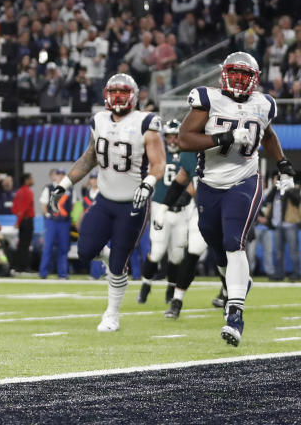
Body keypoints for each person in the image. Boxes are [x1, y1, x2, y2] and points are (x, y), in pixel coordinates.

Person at [179, 52, 296, 346]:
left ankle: (235, 314)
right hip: (209, 183)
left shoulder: (263, 103)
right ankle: (234, 282)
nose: (240, 80)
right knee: (215, 243)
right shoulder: (208, 99)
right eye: (235, 73)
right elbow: (185, 139)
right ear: (224, 73)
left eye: (246, 76)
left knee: (235, 243)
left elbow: (267, 134)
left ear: (254, 80)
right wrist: (224, 138)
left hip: (245, 180)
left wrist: (281, 163)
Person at [49, 73, 166, 332]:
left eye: (123, 93)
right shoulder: (98, 120)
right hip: (104, 200)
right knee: (85, 250)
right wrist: (64, 185)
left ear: (133, 96)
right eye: (114, 92)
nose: (118, 97)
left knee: (117, 265)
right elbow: (89, 157)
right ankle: (115, 260)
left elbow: (159, 164)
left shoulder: (146, 122)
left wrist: (147, 184)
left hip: (132, 203)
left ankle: (111, 314)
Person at [137, 119, 205, 319]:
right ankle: (146, 286)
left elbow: (192, 180)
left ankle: (172, 291)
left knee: (177, 255)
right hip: (162, 206)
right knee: (157, 251)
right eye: (170, 136)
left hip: (184, 209)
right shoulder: (159, 154)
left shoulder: (189, 153)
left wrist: (187, 197)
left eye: (176, 135)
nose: (173, 139)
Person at [39, 168, 72, 279]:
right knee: (48, 247)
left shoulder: (70, 189)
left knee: (63, 248)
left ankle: (62, 273)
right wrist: (48, 216)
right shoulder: (49, 188)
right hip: (52, 222)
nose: (60, 176)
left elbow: (73, 205)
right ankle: (43, 272)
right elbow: (43, 205)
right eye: (58, 174)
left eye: (63, 174)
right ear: (55, 176)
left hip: (64, 222)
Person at [12, 173, 36, 272]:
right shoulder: (28, 192)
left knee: (21, 245)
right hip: (26, 221)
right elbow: (24, 208)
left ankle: (18, 266)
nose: (33, 180)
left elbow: (14, 208)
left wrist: (18, 218)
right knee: (25, 245)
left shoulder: (19, 191)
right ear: (26, 180)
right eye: (31, 178)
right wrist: (18, 221)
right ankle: (24, 267)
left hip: (22, 221)